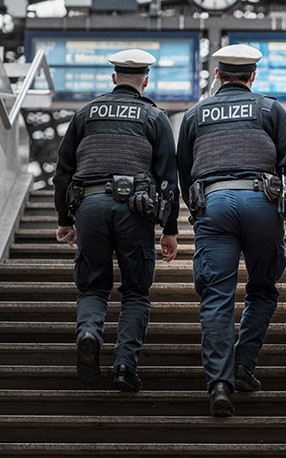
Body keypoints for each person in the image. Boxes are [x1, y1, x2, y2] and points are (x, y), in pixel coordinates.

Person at [176, 44, 286, 417]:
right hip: (261, 205)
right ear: (253, 77)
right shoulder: (269, 109)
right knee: (263, 288)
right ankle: (243, 364)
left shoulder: (195, 114)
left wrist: (197, 210)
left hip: (213, 206)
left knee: (216, 296)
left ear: (217, 75)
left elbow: (184, 171)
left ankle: (219, 382)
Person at [54, 49, 179, 392]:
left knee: (93, 285)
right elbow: (168, 177)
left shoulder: (85, 114)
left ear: (113, 79)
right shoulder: (154, 116)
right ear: (145, 81)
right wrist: (170, 230)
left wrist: (65, 219)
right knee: (136, 291)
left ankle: (89, 332)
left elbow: (63, 172)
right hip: (135, 210)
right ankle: (124, 366)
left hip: (89, 206)